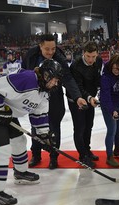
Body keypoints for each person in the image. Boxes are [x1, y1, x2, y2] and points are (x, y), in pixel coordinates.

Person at [0, 59, 63, 205]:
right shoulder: (26, 79)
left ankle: (20, 173)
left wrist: (44, 137)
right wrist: (0, 110)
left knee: (19, 140)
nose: (56, 83)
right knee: (1, 149)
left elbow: (39, 116)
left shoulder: (44, 92)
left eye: (57, 80)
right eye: (54, 79)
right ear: (46, 75)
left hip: (6, 110)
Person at [22, 34, 86, 169]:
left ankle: (53, 157)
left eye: (53, 48)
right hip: (36, 99)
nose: (51, 52)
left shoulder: (59, 57)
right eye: (47, 49)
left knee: (54, 129)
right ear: (40, 46)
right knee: (35, 128)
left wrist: (77, 97)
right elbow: (23, 73)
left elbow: (67, 78)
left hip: (54, 100)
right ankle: (36, 155)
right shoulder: (31, 55)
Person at [66, 41, 102, 168]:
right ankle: (82, 156)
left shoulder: (98, 61)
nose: (91, 59)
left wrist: (98, 93)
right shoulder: (75, 66)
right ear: (83, 53)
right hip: (76, 100)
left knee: (89, 126)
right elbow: (78, 87)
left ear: (97, 54)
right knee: (80, 127)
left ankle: (87, 150)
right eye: (88, 56)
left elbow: (97, 79)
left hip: (90, 99)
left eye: (93, 56)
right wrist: (89, 97)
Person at [100, 54, 119, 167]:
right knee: (112, 129)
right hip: (108, 105)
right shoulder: (105, 77)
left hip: (118, 104)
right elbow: (106, 96)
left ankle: (117, 149)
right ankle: (109, 156)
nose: (116, 71)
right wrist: (112, 110)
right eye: (114, 68)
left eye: (118, 69)